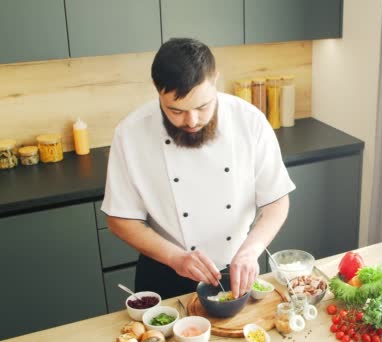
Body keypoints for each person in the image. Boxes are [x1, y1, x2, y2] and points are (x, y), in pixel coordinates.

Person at [101, 38, 295, 300]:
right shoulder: (130, 133)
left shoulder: (249, 121)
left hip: (237, 269)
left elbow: (277, 201)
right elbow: (120, 219)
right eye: (176, 110)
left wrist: (251, 251)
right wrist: (175, 257)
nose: (191, 121)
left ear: (215, 79)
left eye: (202, 106)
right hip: (165, 272)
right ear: (157, 90)